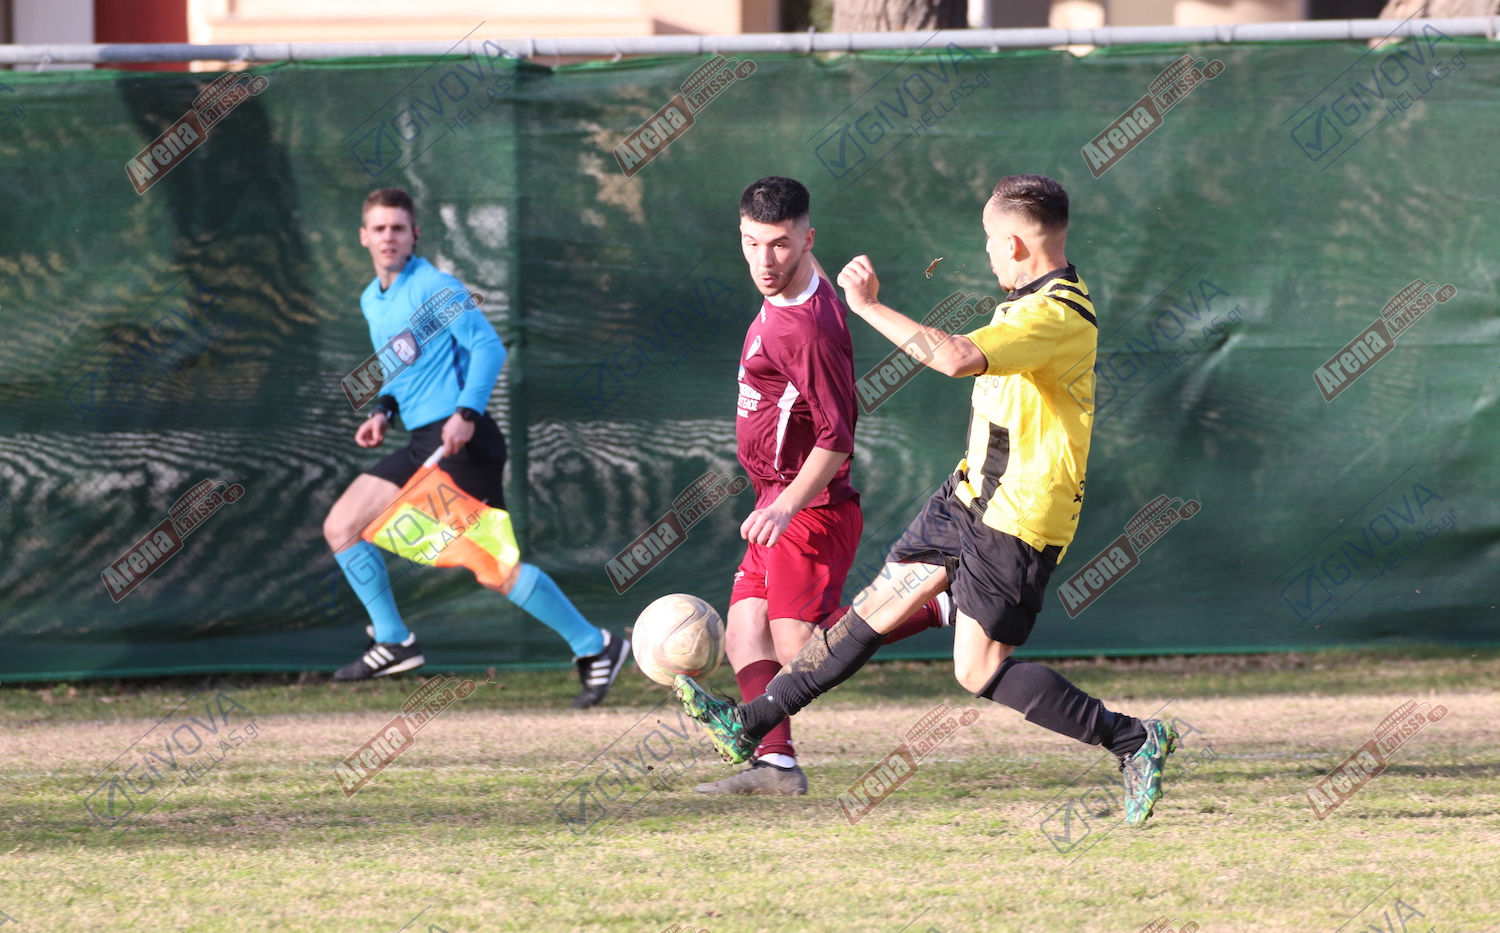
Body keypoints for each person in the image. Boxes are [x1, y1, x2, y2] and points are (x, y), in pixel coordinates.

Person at [676, 175, 1179, 823]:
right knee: (871, 611)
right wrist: (806, 261)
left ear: (1016, 245)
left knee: (978, 670)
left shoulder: (1055, 315)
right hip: (968, 495)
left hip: (1017, 516)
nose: (987, 252)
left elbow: (956, 357)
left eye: (991, 240)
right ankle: (749, 723)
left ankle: (1133, 739)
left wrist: (867, 305)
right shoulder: (1028, 301)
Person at [323, 187, 628, 708]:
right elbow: (400, 367)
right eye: (379, 228)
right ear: (363, 237)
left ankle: (596, 646)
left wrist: (466, 413)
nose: (389, 237)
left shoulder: (436, 287)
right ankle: (393, 641)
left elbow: (488, 346)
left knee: (496, 569)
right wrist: (383, 411)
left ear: (414, 235)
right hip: (424, 441)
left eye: (398, 228)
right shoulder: (372, 299)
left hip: (464, 443)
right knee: (343, 526)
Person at [694, 177, 949, 797]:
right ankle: (775, 765)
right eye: (752, 242)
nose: (764, 260)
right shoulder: (799, 284)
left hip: (808, 505)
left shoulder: (807, 331)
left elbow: (838, 439)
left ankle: (939, 605)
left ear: (808, 241)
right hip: (776, 500)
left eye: (780, 245)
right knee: (745, 631)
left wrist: (786, 505)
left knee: (799, 646)